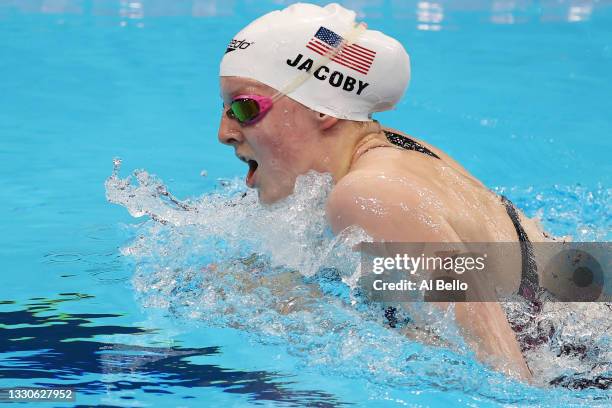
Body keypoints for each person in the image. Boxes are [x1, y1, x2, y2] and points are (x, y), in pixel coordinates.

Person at [217, 3, 552, 380]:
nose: (224, 132)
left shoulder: (368, 195)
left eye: (244, 109)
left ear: (322, 109)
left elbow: (508, 377)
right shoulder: (390, 151)